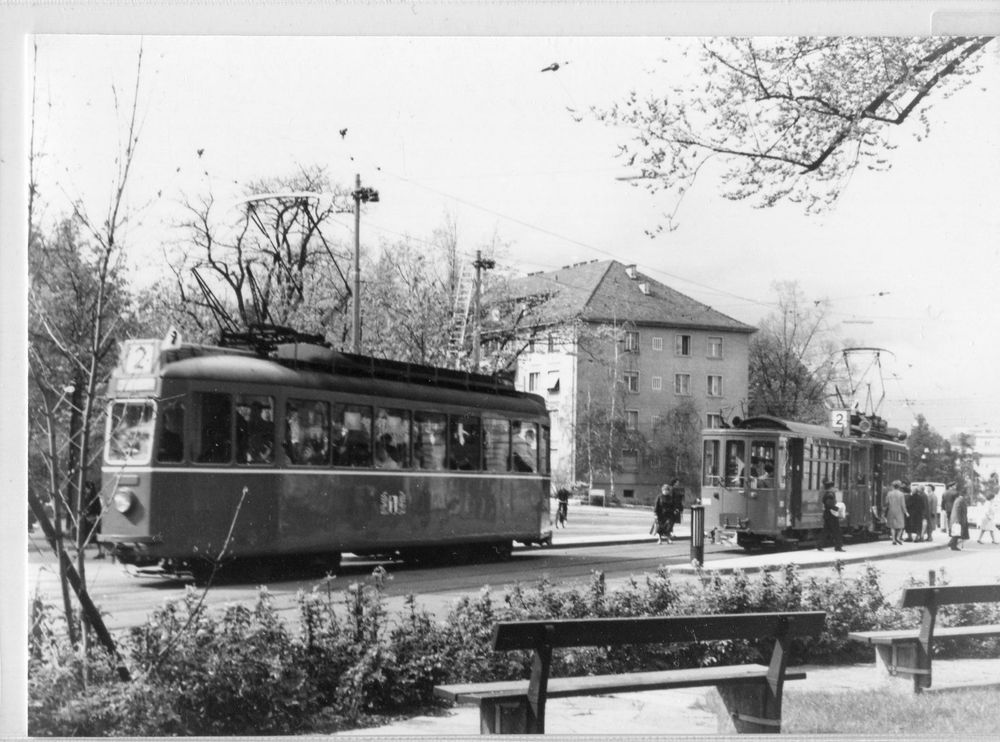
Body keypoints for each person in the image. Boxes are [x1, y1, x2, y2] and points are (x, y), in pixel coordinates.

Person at [817, 479, 844, 552]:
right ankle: (838, 547)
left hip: (828, 515)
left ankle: (819, 545)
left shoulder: (828, 493)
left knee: (825, 531)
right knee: (837, 531)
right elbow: (829, 505)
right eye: (833, 486)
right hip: (831, 515)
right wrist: (837, 509)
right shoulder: (830, 494)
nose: (835, 488)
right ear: (831, 487)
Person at [884, 480, 908, 545]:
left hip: (891, 510)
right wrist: (906, 512)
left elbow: (886, 503)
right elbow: (903, 504)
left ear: (893, 486)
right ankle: (898, 537)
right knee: (901, 525)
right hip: (899, 511)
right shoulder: (901, 494)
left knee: (892, 526)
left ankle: (893, 540)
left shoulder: (889, 493)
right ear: (899, 486)